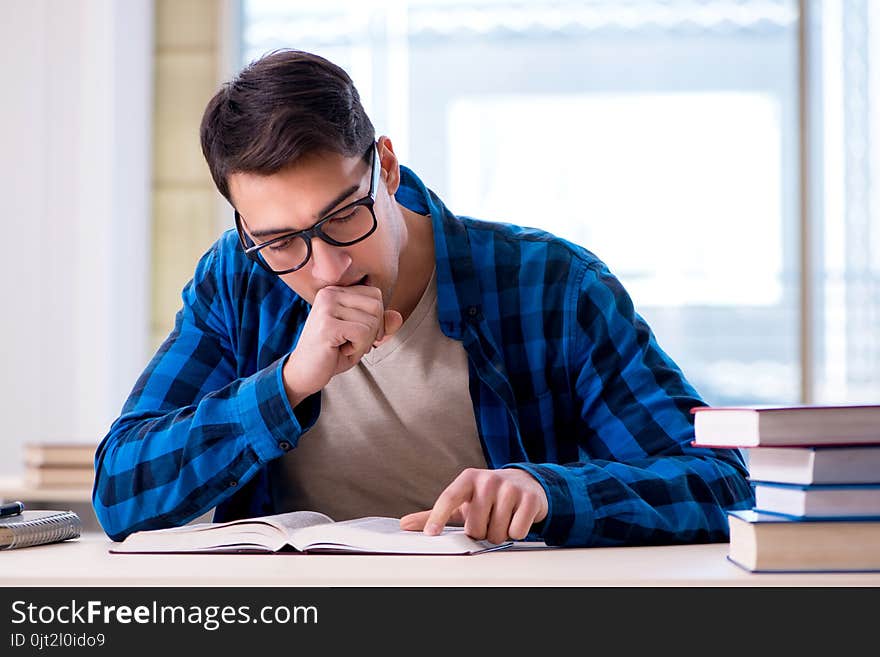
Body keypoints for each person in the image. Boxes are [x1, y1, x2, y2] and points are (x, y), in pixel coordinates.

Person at [93, 49, 753, 545]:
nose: (326, 267)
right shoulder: (237, 281)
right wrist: (290, 382)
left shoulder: (553, 284)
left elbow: (721, 485)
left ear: (385, 166)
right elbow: (121, 491)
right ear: (245, 230)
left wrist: (549, 492)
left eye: (344, 215)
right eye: (281, 240)